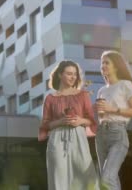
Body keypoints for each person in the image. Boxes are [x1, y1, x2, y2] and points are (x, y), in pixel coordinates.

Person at [39, 60, 99, 190]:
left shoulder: (82, 95)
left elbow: (91, 120)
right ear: (60, 75)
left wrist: (80, 121)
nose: (73, 77)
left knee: (85, 175)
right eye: (69, 74)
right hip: (57, 138)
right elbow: (45, 125)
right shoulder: (50, 98)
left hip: (78, 137)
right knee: (59, 177)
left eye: (75, 74)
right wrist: (60, 122)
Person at [94, 50, 132, 190]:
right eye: (101, 63)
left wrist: (112, 109)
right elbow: (102, 116)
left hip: (117, 133)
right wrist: (100, 113)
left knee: (107, 177)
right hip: (101, 135)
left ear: (116, 66)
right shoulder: (102, 90)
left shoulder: (125, 84)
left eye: (106, 62)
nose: (103, 65)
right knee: (107, 179)